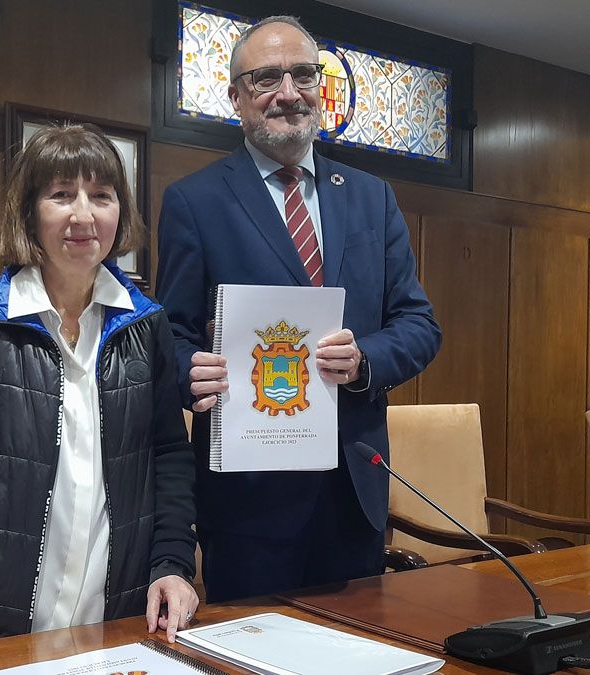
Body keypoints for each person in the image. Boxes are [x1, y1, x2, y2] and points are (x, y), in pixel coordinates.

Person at [0, 124, 198, 673]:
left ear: (119, 214)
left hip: (120, 621)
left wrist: (173, 564)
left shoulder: (148, 326)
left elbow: (169, 459)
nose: (83, 215)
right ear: (29, 212)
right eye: (61, 194)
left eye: (101, 196)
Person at [155, 16, 441, 603]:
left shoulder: (371, 196)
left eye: (303, 74)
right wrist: (191, 371)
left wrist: (364, 358)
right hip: (248, 502)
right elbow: (170, 336)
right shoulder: (194, 201)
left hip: (352, 493)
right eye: (265, 78)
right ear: (236, 97)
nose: (289, 92)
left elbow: (418, 325)